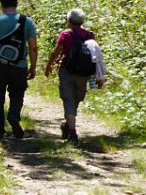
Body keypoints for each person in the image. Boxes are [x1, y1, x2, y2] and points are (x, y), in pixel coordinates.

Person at [0, 0, 38, 141]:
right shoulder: (27, 22)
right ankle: (13, 115)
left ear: (1, 4)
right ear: (16, 3)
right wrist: (33, 66)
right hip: (19, 65)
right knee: (17, 92)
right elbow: (33, 47)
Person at [44, 8, 102, 142]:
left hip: (67, 71)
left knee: (68, 100)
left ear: (69, 21)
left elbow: (56, 52)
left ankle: (71, 130)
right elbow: (95, 56)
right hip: (83, 74)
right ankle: (70, 129)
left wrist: (49, 65)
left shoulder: (65, 34)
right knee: (75, 100)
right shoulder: (89, 35)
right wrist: (98, 76)